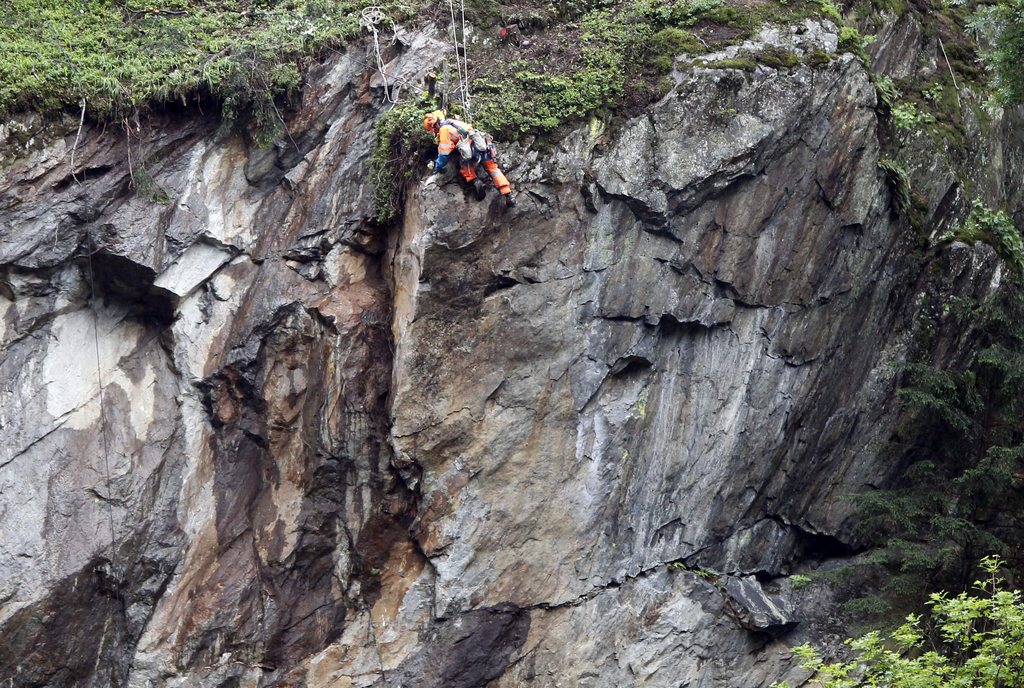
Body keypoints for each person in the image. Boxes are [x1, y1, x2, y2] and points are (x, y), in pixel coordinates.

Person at [423, 110, 516, 208]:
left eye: (432, 130)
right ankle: (508, 195)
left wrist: (436, 167)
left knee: (465, 167)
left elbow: (444, 154)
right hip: (481, 145)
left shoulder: (444, 130)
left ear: (434, 126)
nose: (433, 132)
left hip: (471, 152)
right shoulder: (453, 122)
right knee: (493, 169)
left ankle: (476, 182)